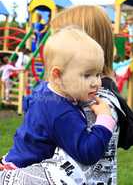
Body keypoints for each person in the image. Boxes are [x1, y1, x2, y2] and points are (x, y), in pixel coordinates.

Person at [0, 27, 116, 184]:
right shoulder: (62, 114)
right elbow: (88, 152)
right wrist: (105, 118)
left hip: (13, 159)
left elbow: (28, 102)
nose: (96, 82)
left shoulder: (44, 89)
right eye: (87, 75)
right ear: (58, 75)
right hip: (25, 173)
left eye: (98, 74)